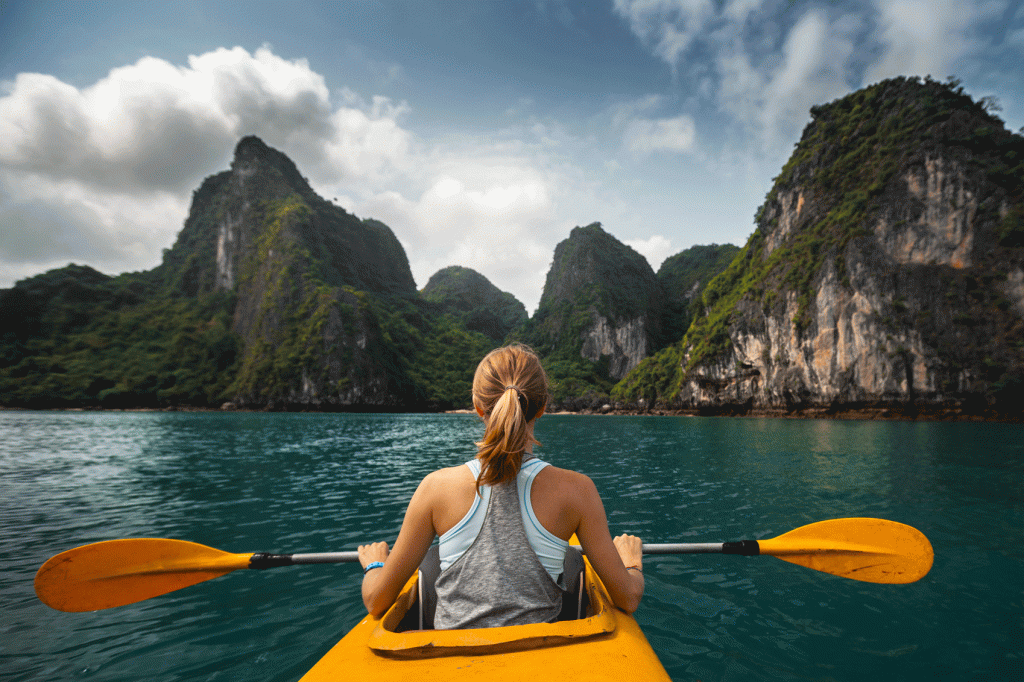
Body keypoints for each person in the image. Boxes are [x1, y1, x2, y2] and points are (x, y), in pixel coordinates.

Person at [358, 344, 644, 628]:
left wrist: (374, 565)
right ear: (543, 406)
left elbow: (376, 601)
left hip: (451, 664)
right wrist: (630, 562)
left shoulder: (435, 488)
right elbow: (628, 598)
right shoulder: (577, 490)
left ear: (477, 406)